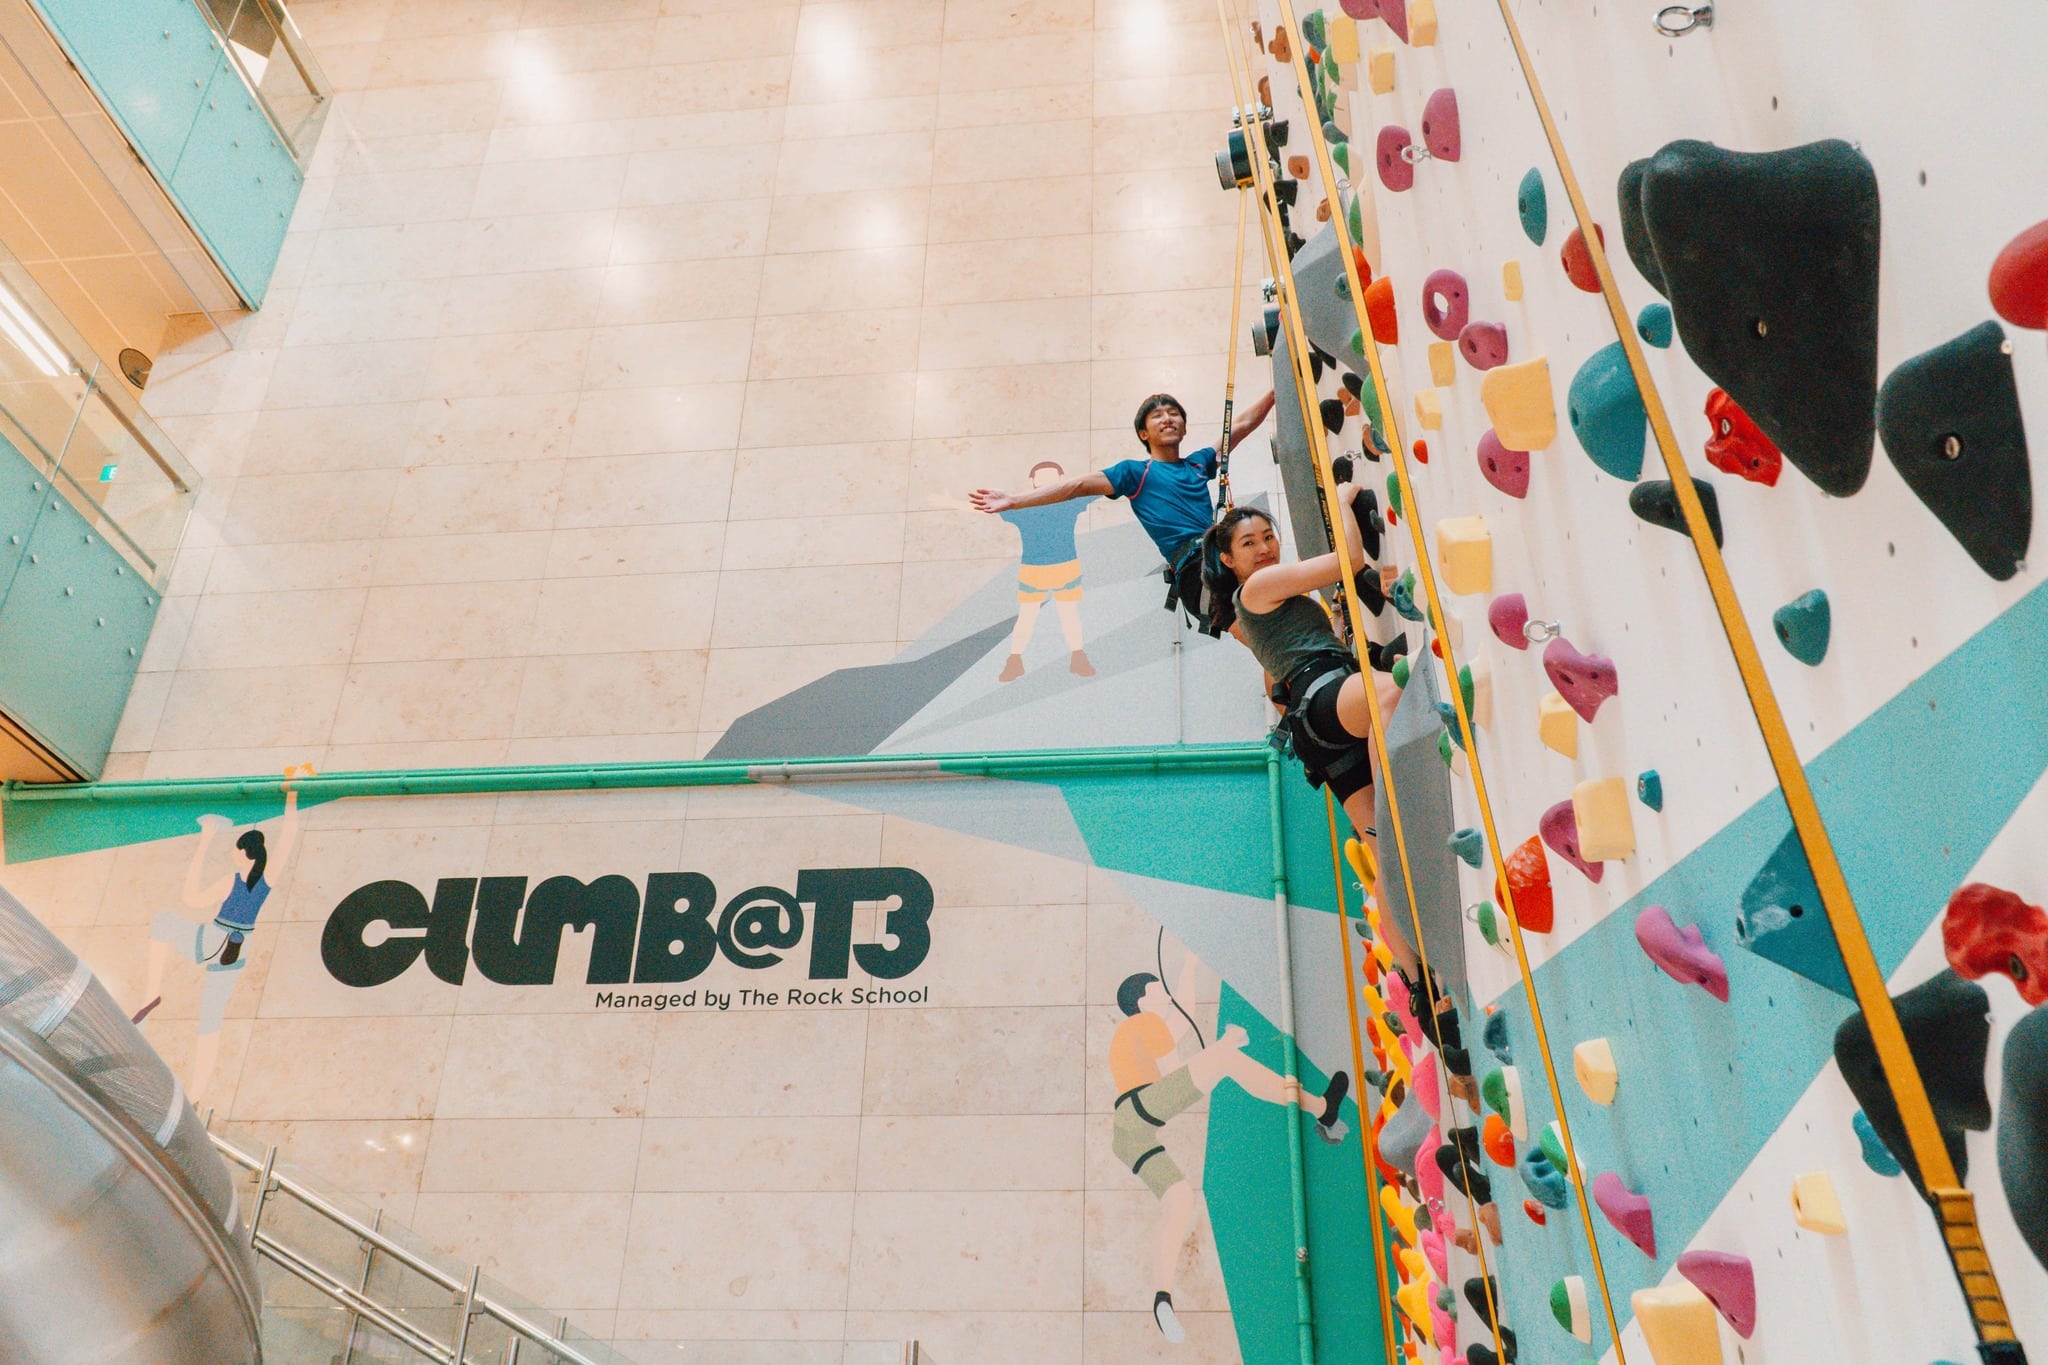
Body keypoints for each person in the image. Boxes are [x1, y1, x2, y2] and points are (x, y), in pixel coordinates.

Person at [1202, 493, 1417, 973]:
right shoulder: (1258, 588)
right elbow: (1349, 560)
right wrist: (1340, 500)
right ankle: (1397, 803)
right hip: (1324, 703)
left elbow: (1276, 692)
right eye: (1249, 543)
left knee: (1383, 860)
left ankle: (1419, 983)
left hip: (1316, 724)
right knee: (1385, 694)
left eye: (1268, 537)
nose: (1264, 549)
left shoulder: (1259, 609)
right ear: (1229, 559)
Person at [1110, 952, 1348, 1344]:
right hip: (1141, 1107)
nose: (1167, 996)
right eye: (1159, 991)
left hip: (1129, 1132)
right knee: (1227, 1061)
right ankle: (1322, 1108)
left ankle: (1162, 1298)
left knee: (1180, 1200)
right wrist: (1219, 1043)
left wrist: (1189, 968)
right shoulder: (1143, 1023)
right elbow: (1174, 1061)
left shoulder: (1141, 1032)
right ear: (1142, 1002)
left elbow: (1179, 1025)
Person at [968, 391, 1276, 627]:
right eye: (1157, 416)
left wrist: (1278, 390)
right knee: (1264, 627)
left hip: (1223, 561)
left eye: (1173, 414)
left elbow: (1245, 423)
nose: (1167, 418)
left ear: (1183, 427)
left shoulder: (1199, 462)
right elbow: (1076, 486)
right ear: (1144, 434)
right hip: (1199, 573)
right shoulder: (1135, 473)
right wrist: (1014, 500)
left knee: (1274, 631)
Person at [132, 774, 303, 1103]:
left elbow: (191, 898)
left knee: (163, 921)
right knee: (210, 1021)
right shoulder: (266, 879)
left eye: (237, 854)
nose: (235, 858)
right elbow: (290, 836)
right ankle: (195, 1096)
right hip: (238, 949)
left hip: (213, 938)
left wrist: (204, 842)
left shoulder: (232, 880)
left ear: (245, 855)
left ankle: (151, 994)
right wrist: (292, 796)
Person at [942, 460, 1096, 681]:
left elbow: (1098, 487)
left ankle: (1078, 657)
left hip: (1066, 567)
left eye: (1052, 477)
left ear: (1061, 480)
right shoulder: (1021, 507)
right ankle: (1015, 661)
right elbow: (986, 508)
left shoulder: (1070, 503)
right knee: (1027, 616)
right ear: (1032, 482)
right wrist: (950, 502)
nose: (1046, 482)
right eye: (1042, 478)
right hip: (1033, 570)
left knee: (1068, 613)